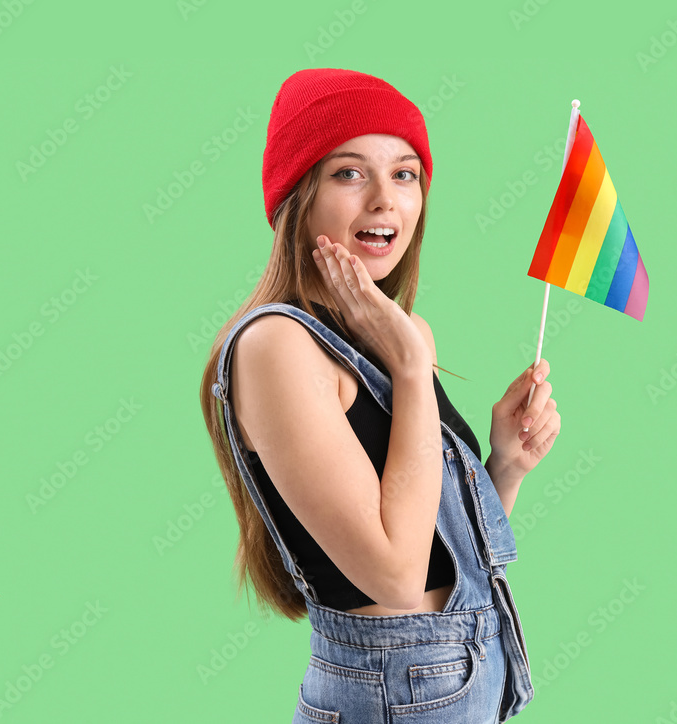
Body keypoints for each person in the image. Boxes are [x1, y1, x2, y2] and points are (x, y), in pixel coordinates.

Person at [199, 67, 561, 722]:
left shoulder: (403, 334)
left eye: (404, 174)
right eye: (349, 173)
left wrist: (504, 467)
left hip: (468, 675)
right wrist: (412, 368)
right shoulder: (277, 345)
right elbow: (394, 578)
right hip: (392, 692)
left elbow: (439, 556)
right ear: (297, 196)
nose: (384, 200)